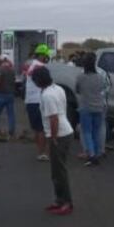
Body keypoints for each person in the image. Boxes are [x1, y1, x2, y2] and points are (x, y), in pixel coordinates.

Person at [32, 66, 74, 215]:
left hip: (60, 135)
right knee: (56, 171)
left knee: (60, 172)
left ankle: (67, 203)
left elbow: (54, 118)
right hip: (65, 131)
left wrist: (53, 138)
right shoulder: (57, 88)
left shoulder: (47, 95)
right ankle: (59, 200)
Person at [76, 52, 107, 166]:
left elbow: (78, 90)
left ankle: (92, 154)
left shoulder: (80, 77)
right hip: (99, 107)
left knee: (87, 132)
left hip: (85, 107)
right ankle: (98, 152)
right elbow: (103, 89)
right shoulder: (100, 77)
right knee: (96, 131)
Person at [25, 44, 52, 161]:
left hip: (30, 101)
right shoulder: (42, 67)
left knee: (36, 128)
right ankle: (43, 153)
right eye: (46, 55)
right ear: (41, 55)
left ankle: (39, 151)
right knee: (43, 128)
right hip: (39, 100)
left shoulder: (31, 65)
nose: (47, 58)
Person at [0, 55, 17, 141]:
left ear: (1, 61)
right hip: (10, 94)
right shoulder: (12, 70)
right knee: (11, 114)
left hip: (0, 94)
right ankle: (11, 130)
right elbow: (14, 81)